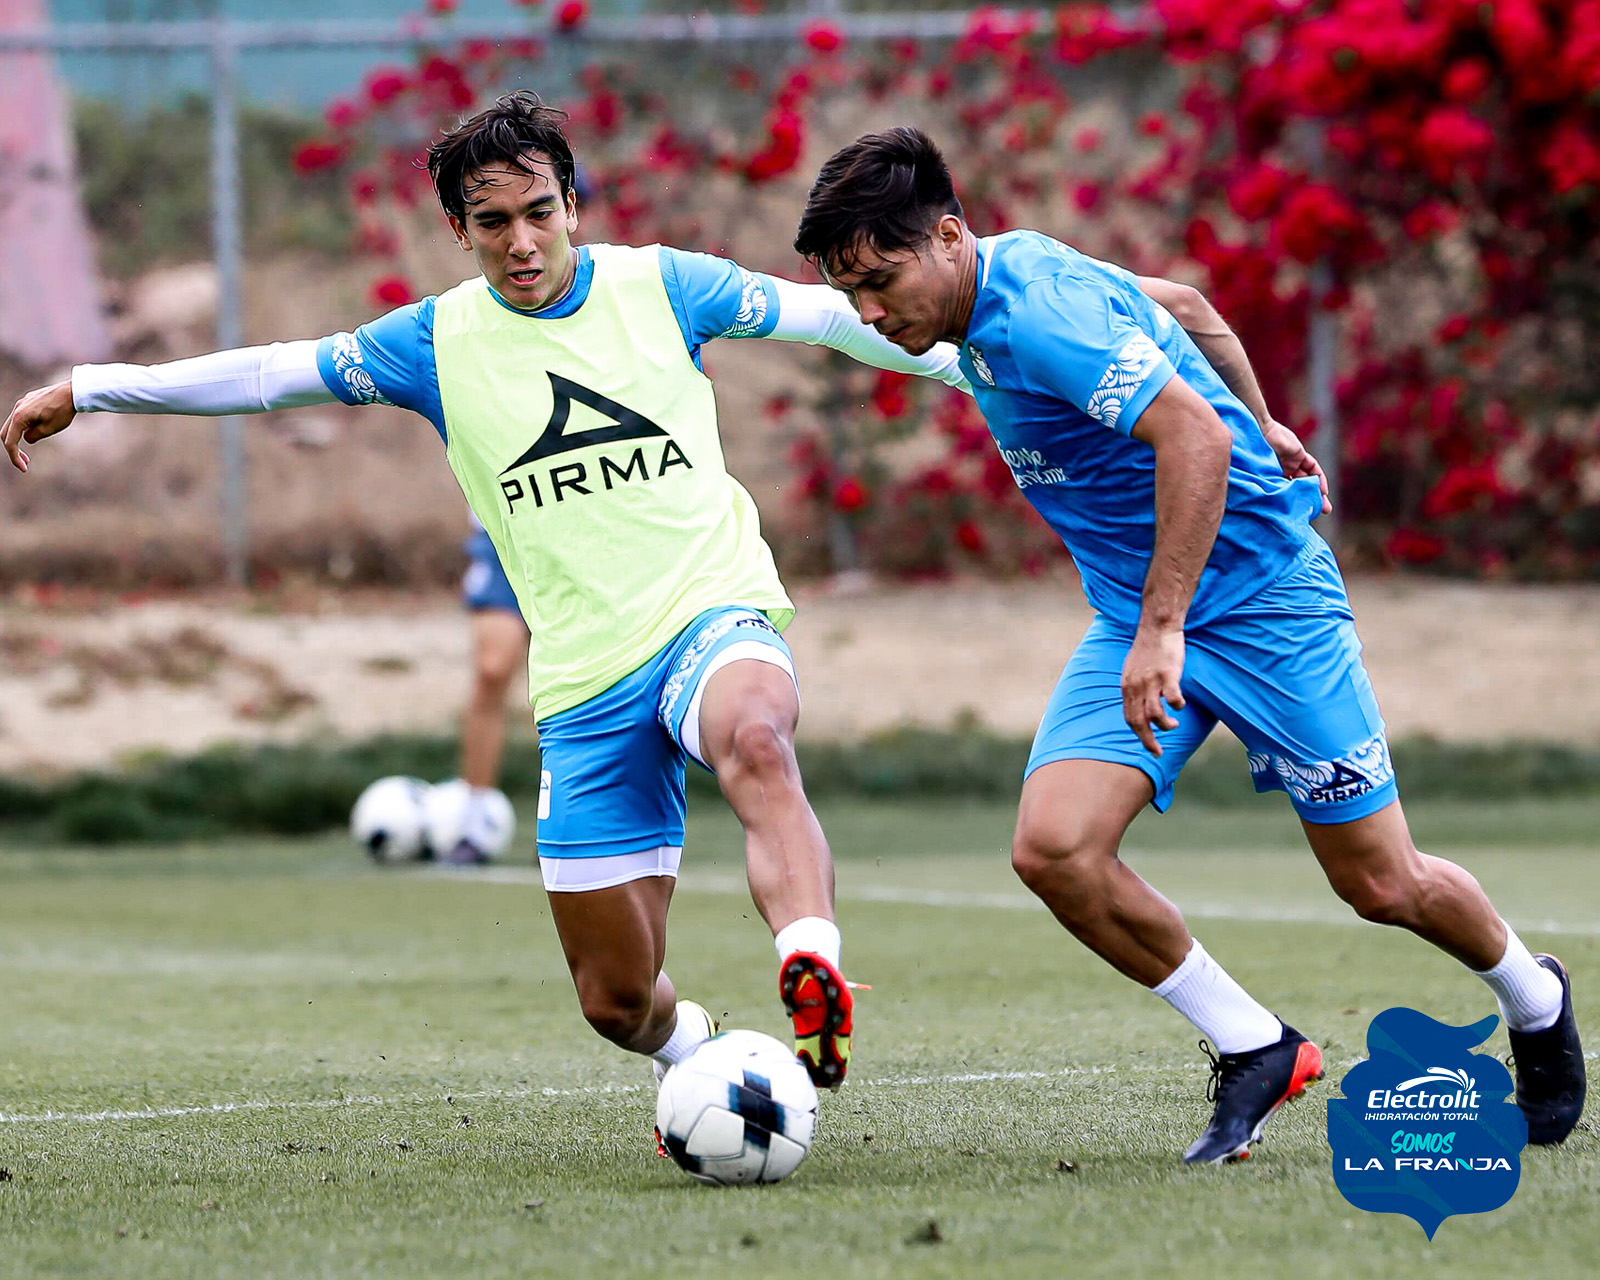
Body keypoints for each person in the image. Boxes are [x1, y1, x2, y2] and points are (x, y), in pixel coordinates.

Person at [2, 94, 973, 1115]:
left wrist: (984, 365)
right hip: (586, 679)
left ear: (573, 206)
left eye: (541, 212)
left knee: (755, 737)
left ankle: (810, 962)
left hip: (709, 610)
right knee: (616, 999)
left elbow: (831, 316)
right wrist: (97, 387)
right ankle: (700, 1052)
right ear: (458, 230)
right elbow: (272, 374)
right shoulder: (432, 341)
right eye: (494, 222)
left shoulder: (664, 285)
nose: (522, 242)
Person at [791, 126, 1585, 1163]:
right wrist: (1268, 422)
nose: (868, 311)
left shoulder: (1039, 316)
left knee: (1382, 884)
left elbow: (1194, 436)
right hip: (1143, 615)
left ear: (947, 237)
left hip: (1265, 606)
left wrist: (1169, 612)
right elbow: (1187, 307)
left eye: (879, 281)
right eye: (849, 290)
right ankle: (1256, 1044)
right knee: (1055, 849)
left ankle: (1533, 997)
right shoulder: (1004, 279)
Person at [440, 510, 529, 865]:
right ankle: (474, 824)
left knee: (579, 675)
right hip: (503, 528)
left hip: (576, 520)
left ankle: (577, 819)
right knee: (492, 671)